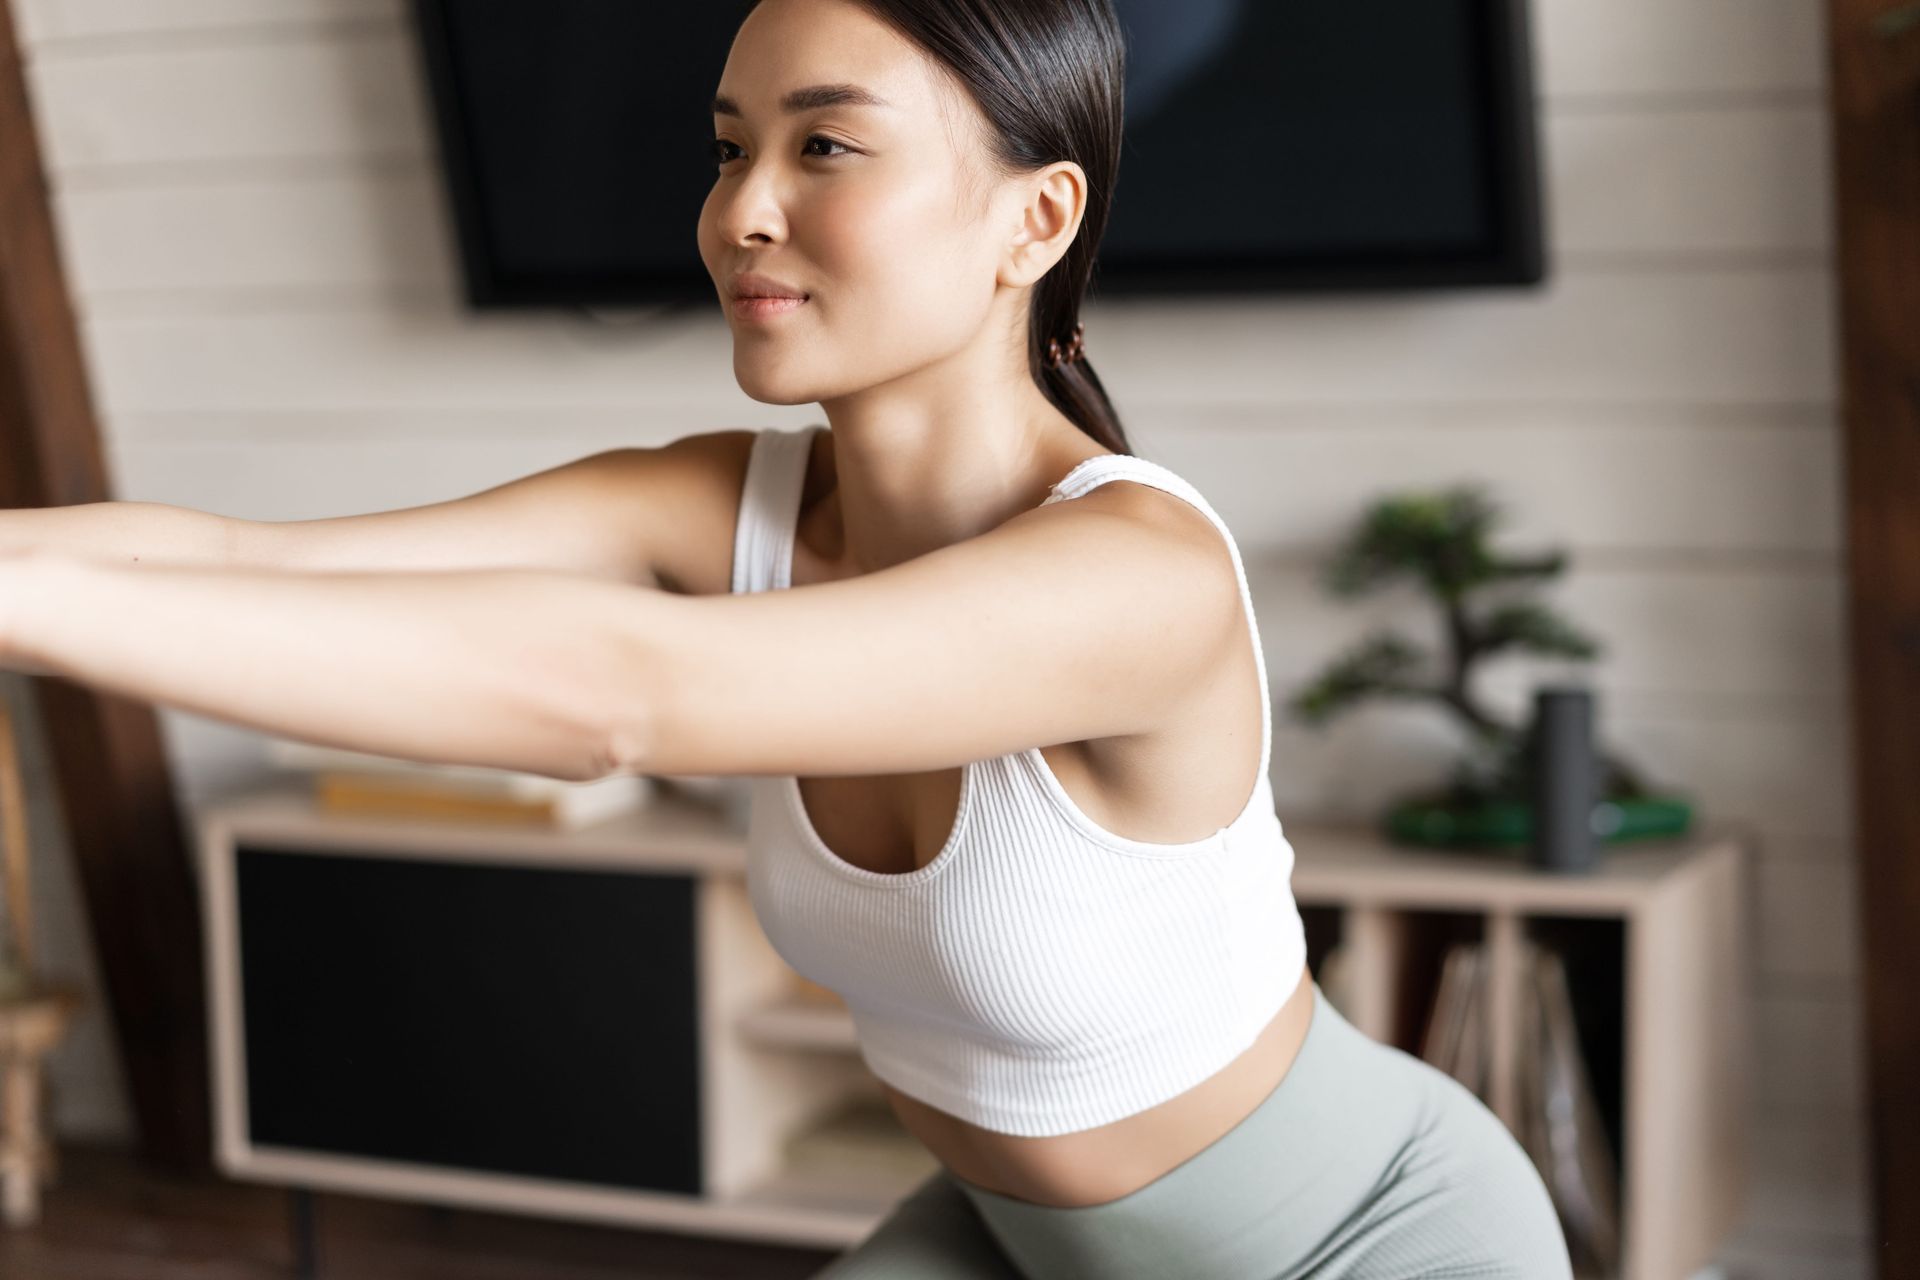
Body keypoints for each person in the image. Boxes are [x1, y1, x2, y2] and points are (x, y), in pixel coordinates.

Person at [0, 0, 1573, 1276]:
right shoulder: (715, 505)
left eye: (826, 144)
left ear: (1038, 217)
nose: (744, 210)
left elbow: (621, 700)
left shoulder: (1135, 573)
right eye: (728, 147)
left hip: (1365, 1246)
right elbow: (251, 563)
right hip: (1016, 1240)